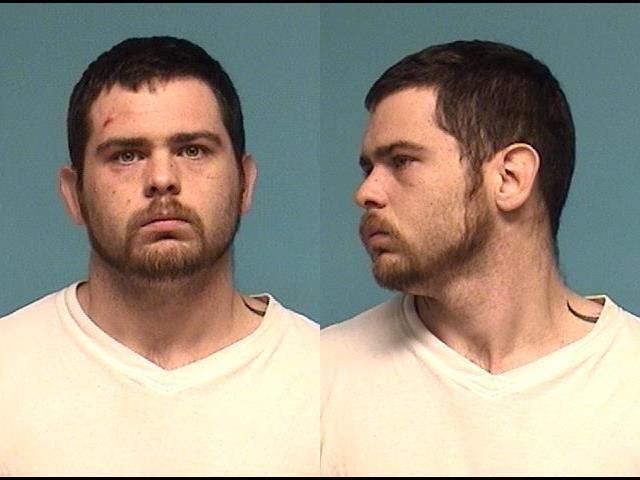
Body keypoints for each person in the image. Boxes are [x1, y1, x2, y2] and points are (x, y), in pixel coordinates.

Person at [0, 36, 319, 476]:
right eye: (127, 155)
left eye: (193, 150)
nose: (163, 178)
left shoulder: (325, 380)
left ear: (245, 183)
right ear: (75, 195)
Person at [321, 40, 640, 476]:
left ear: (509, 178)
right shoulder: (320, 378)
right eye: (368, 168)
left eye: (402, 161)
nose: (366, 193)